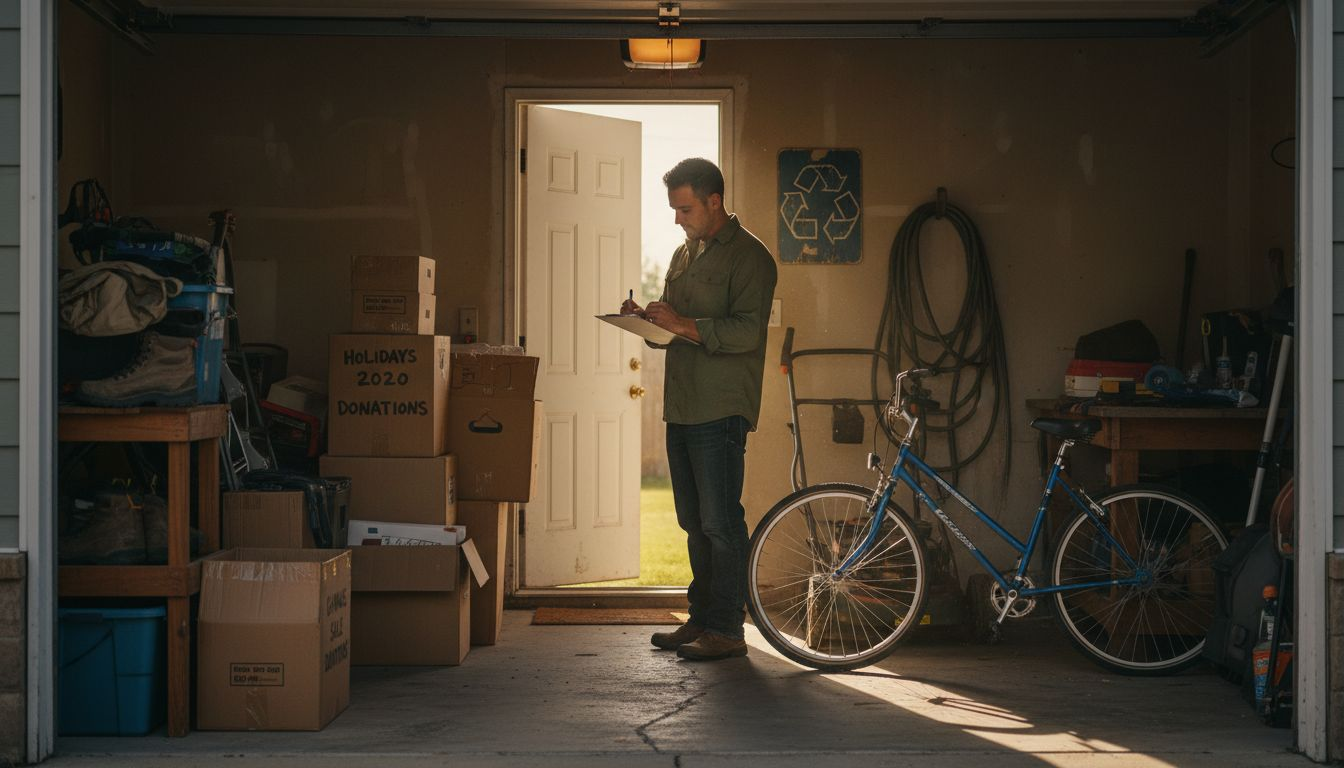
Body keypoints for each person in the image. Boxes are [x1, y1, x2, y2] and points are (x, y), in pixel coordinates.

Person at [622, 158, 778, 661]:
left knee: (720, 523)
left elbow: (747, 332)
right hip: (683, 406)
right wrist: (647, 321)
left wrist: (683, 322)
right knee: (692, 521)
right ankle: (703, 618)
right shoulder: (683, 255)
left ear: (715, 202)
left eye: (684, 208)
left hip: (721, 410)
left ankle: (729, 630)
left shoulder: (751, 258)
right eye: (673, 209)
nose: (677, 219)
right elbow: (673, 331)